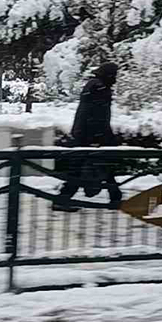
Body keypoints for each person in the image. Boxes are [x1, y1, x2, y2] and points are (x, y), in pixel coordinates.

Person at [53, 63, 122, 212]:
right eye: (114, 75)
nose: (116, 79)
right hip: (90, 137)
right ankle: (62, 199)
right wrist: (99, 137)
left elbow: (91, 114)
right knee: (90, 168)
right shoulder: (99, 88)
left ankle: (116, 197)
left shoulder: (94, 86)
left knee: (97, 167)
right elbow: (98, 116)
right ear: (109, 75)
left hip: (85, 135)